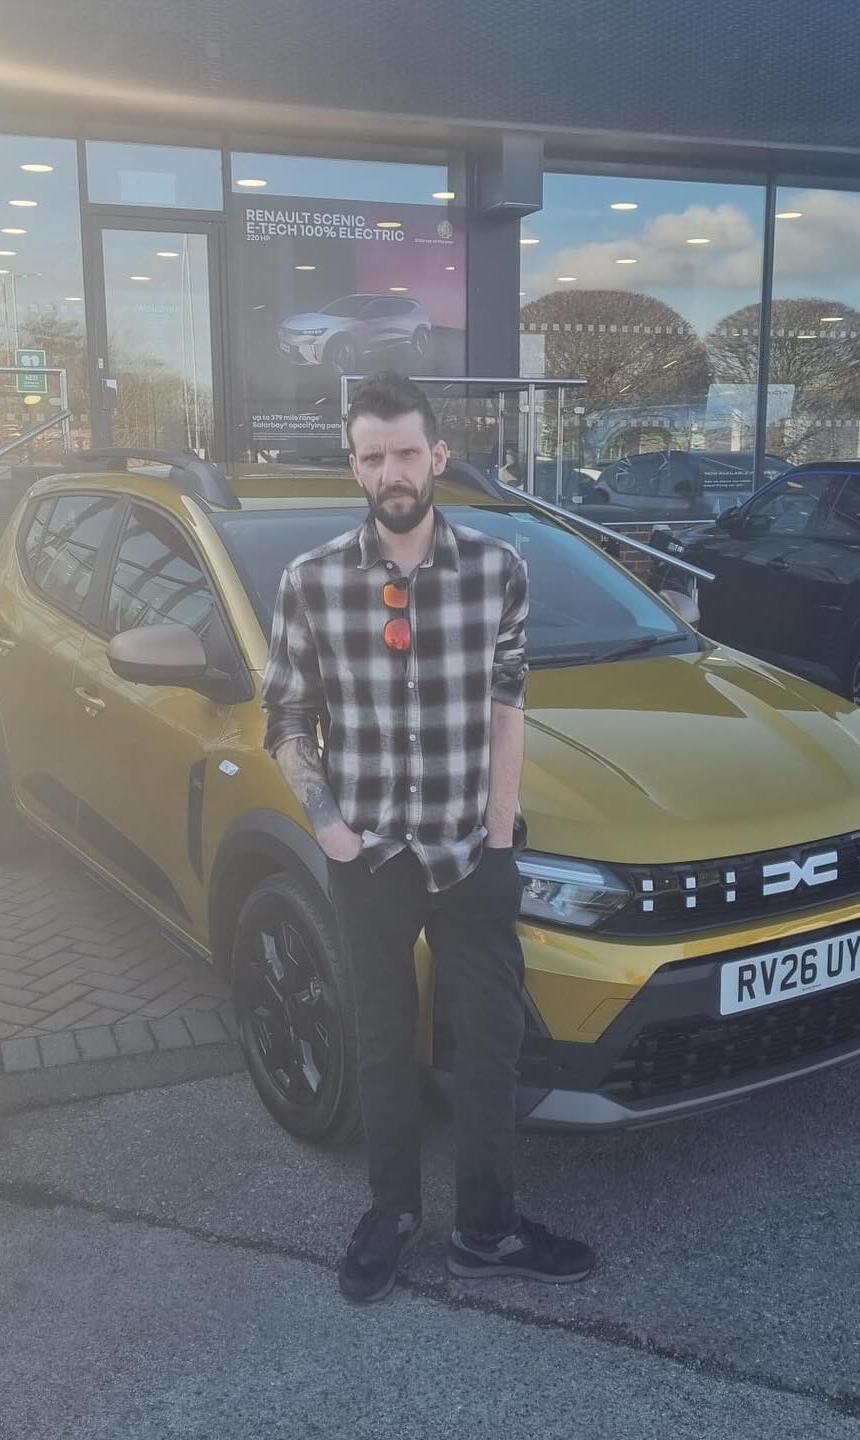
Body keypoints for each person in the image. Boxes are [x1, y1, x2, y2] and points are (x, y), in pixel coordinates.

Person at [262, 372, 594, 1304]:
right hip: (368, 857)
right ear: (354, 466)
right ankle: (393, 1212)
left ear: (438, 455)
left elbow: (508, 707)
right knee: (380, 1037)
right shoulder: (311, 582)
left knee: (489, 1043)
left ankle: (487, 1230)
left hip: (469, 852)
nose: (392, 472)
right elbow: (285, 719)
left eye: (407, 452)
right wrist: (332, 832)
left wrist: (500, 839)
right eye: (373, 456)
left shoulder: (497, 569)